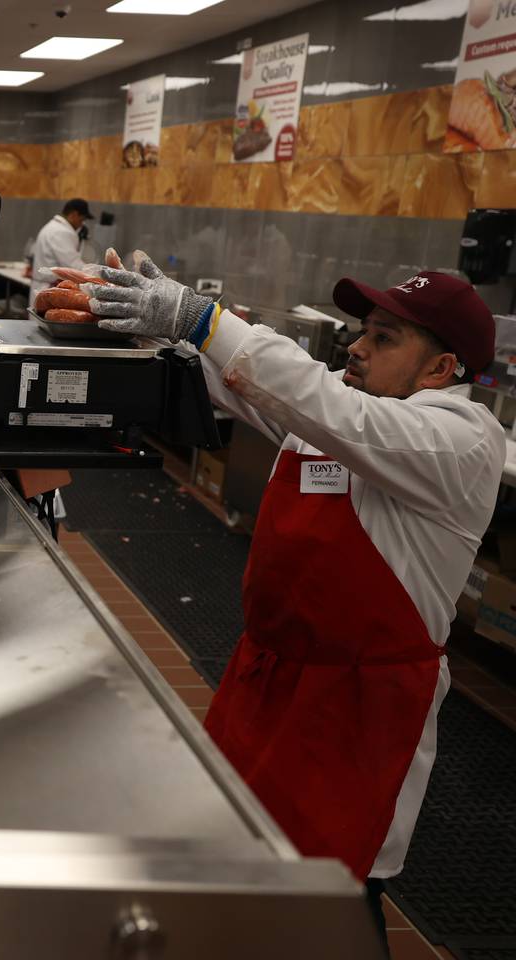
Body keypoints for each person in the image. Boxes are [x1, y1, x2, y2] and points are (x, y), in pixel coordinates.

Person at [83, 252, 504, 956]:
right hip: (267, 684)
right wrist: (174, 332)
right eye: (360, 331)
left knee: (329, 902)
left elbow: (333, 410)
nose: (356, 348)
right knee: (242, 860)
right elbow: (265, 394)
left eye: (383, 337)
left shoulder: (461, 442)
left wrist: (205, 318)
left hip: (356, 719)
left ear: (440, 371)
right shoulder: (345, 417)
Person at [26, 198, 91, 307]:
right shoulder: (61, 232)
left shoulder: (52, 227)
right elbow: (73, 265)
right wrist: (97, 277)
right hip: (48, 290)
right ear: (74, 214)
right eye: (81, 220)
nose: (81, 225)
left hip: (43, 287)